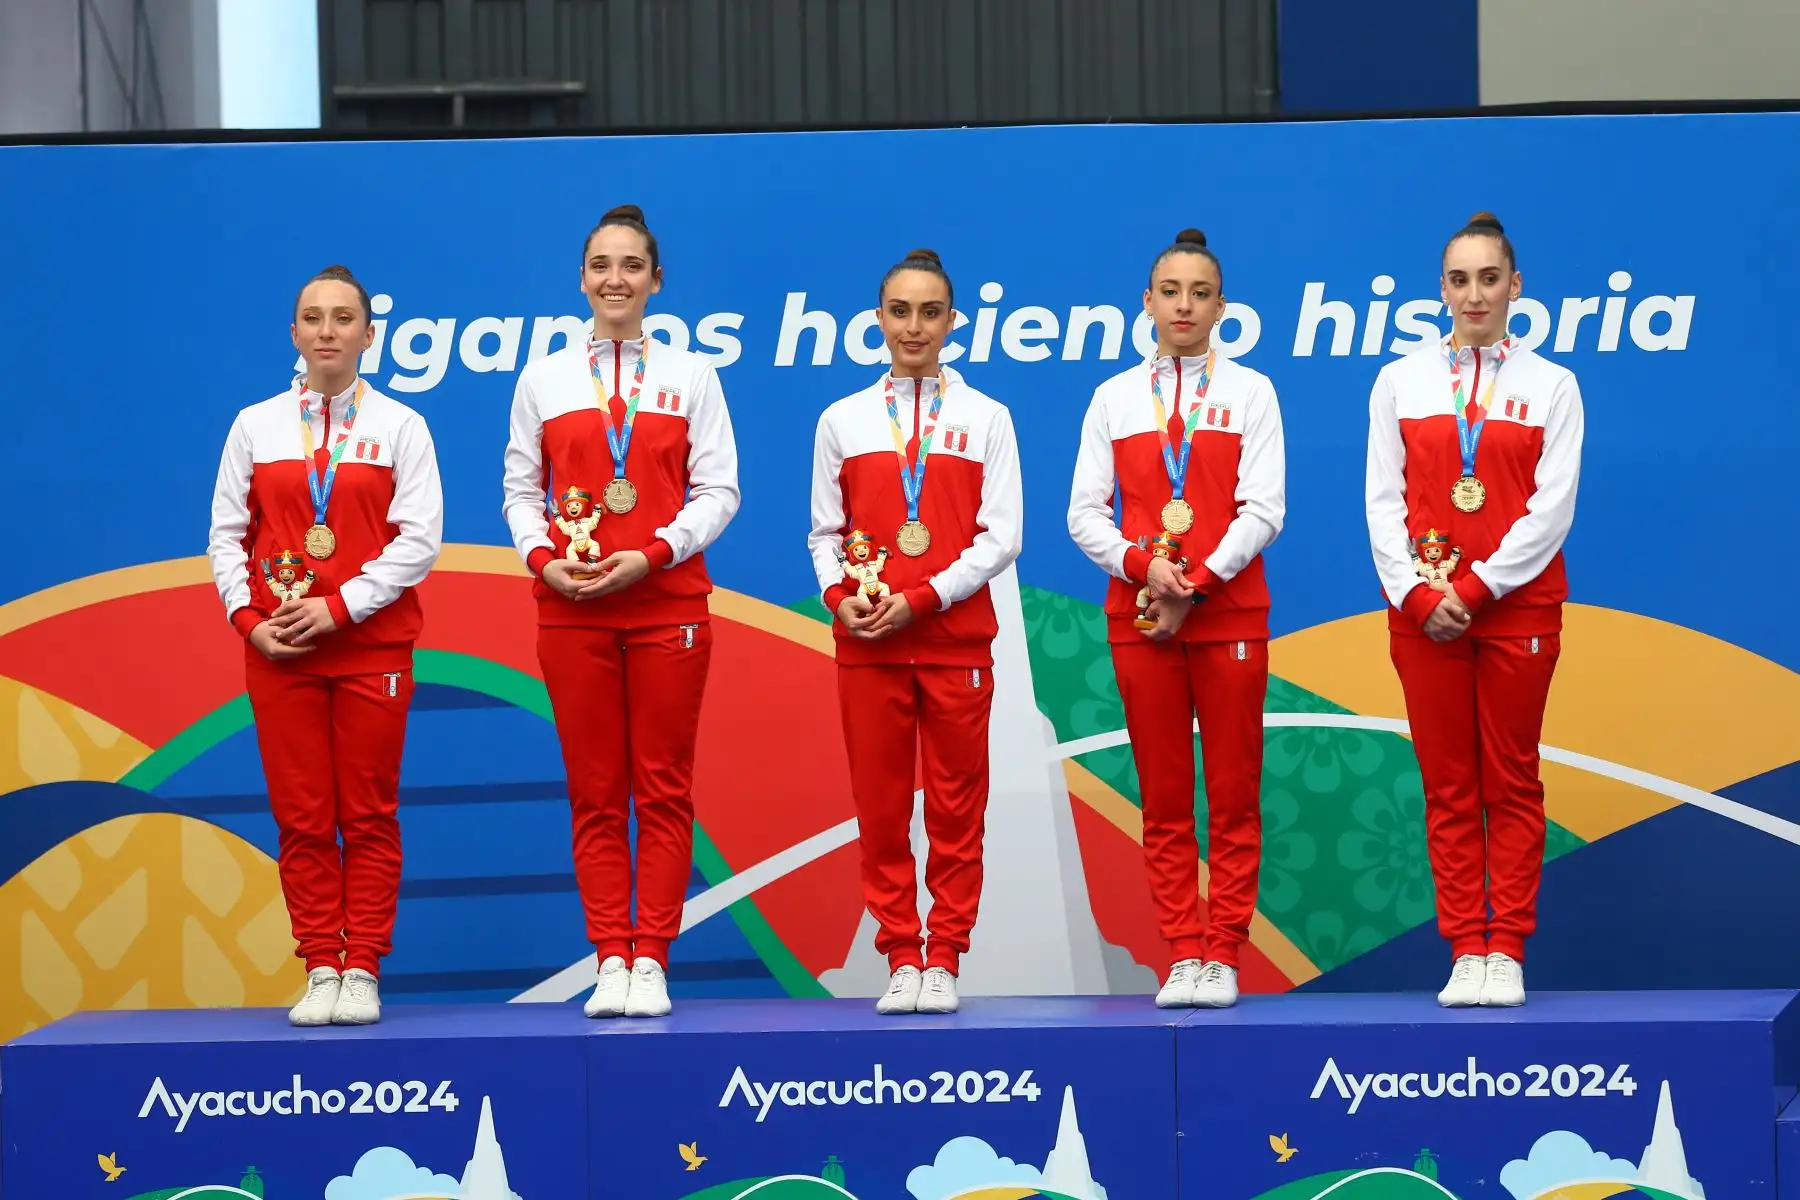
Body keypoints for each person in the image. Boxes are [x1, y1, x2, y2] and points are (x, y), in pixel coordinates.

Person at [502, 204, 740, 1019]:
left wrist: (655, 552)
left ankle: (653, 959)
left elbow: (719, 490)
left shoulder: (692, 377)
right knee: (597, 792)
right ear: (581, 279)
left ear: (656, 281)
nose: (616, 279)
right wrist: (545, 559)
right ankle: (611, 954)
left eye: (631, 265)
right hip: (571, 610)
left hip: (668, 604)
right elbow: (520, 492)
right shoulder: (544, 379)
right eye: (602, 265)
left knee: (663, 789)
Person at [207, 265, 445, 1027]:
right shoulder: (255, 425)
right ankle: (320, 965)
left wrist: (339, 608)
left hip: (371, 649)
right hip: (280, 652)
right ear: (294, 333)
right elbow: (225, 537)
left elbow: (419, 542)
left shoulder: (401, 426)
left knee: (367, 814)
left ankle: (363, 967)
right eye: (313, 317)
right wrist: (250, 622)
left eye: (344, 318)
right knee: (303, 817)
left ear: (369, 335)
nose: (327, 331)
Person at [1364, 211, 1584, 1008]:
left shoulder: (1552, 385)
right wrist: (1421, 594)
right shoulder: (1401, 381)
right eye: (1459, 280)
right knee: (1449, 785)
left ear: (1515, 285)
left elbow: (1551, 510)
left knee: (1512, 781)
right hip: (1424, 615)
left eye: (1489, 278)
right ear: (1442, 289)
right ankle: (1465, 946)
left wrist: (1477, 587)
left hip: (1516, 611)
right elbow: (1382, 501)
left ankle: (1508, 947)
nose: (1475, 294)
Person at [1067, 228, 1286, 1010]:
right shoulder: (1114, 398)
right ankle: (1181, 952)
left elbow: (1265, 508)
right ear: (1147, 302)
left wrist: (1196, 581)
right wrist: (1144, 567)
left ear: (1222, 306)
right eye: (1170, 292)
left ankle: (1222, 951)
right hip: (1142, 617)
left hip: (1227, 616)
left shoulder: (1251, 391)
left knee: (1232, 794)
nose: (1184, 306)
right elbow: (1083, 514)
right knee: (1162, 797)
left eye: (1200, 293)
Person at [807, 248, 1023, 1016]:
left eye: (930, 312)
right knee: (882, 808)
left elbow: (1002, 537)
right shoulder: (843, 420)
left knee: (958, 810)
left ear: (952, 322)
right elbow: (824, 534)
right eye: (900, 311)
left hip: (954, 641)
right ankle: (901, 952)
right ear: (878, 319)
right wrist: (839, 597)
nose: (914, 327)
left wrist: (925, 597)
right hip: (868, 645)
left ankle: (946, 956)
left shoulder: (986, 417)